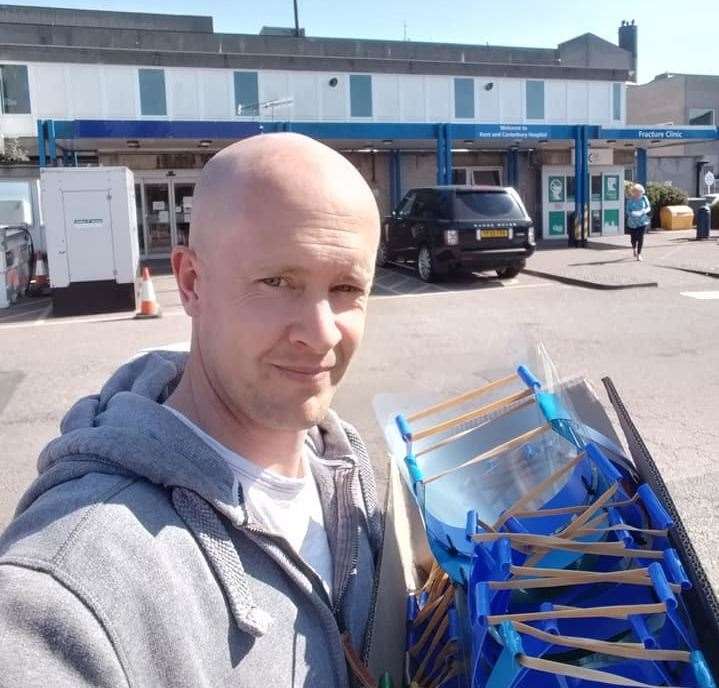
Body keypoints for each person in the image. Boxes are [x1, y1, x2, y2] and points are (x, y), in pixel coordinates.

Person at [0, 133, 383, 687]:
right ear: (191, 283)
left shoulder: (347, 472)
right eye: (277, 282)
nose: (321, 333)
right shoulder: (74, 581)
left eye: (347, 286)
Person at [626, 183, 651, 261]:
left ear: (642, 191)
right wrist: (633, 214)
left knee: (640, 237)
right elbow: (627, 210)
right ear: (633, 192)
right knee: (633, 238)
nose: (637, 193)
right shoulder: (630, 200)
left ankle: (639, 254)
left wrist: (644, 211)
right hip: (632, 222)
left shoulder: (644, 198)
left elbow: (648, 207)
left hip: (642, 221)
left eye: (639, 191)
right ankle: (634, 248)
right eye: (636, 192)